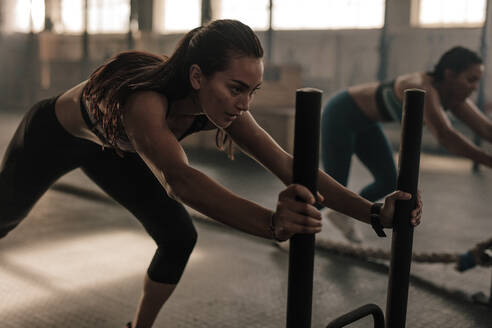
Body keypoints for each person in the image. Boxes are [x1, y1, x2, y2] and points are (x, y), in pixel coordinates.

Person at [0, 20, 422, 328]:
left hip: (116, 149)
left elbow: (291, 166)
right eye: (235, 88)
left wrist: (372, 213)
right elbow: (179, 180)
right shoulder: (145, 103)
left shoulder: (223, 107)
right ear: (197, 76)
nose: (243, 104)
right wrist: (271, 223)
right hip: (53, 135)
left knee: (179, 236)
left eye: (251, 92)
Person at [320, 46, 491, 244]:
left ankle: (343, 214)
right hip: (340, 115)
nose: (475, 87)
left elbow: (486, 130)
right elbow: (445, 135)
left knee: (389, 180)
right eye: (471, 80)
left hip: (366, 123)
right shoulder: (422, 87)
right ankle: (294, 232)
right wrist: (487, 160)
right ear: (450, 74)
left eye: (477, 81)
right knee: (332, 187)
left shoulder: (453, 97)